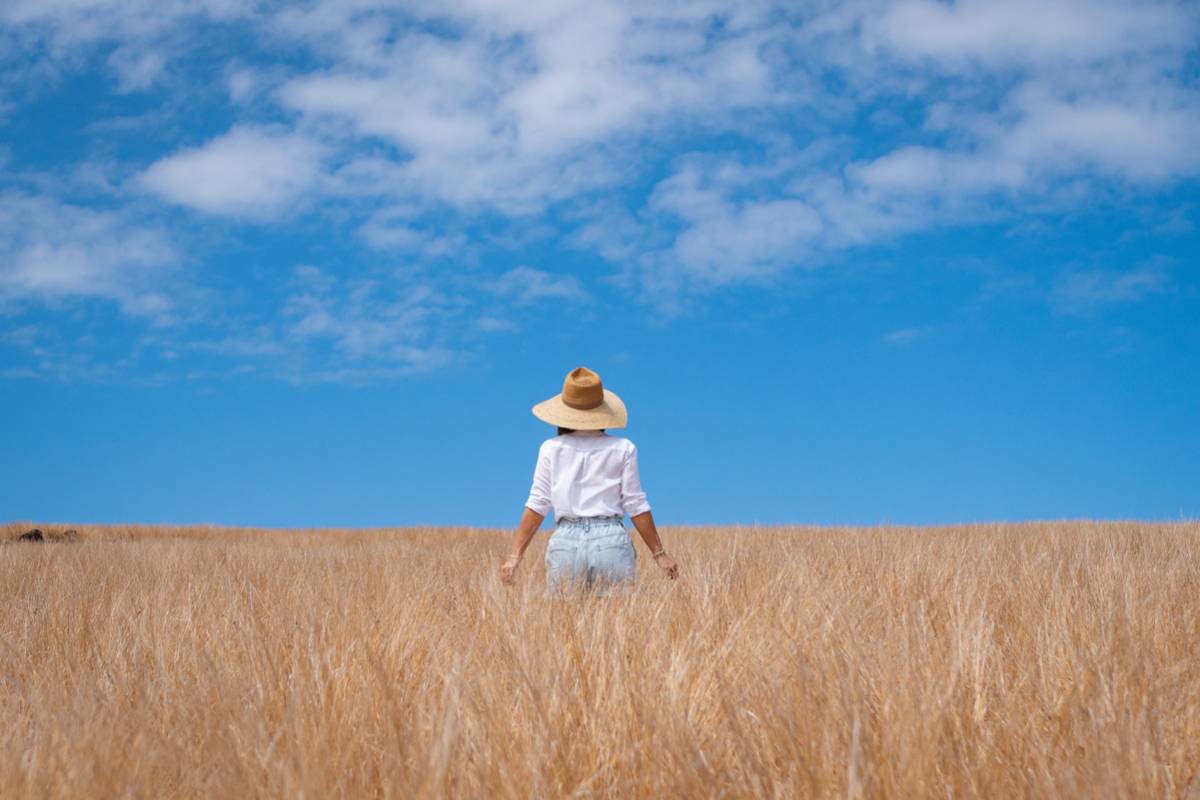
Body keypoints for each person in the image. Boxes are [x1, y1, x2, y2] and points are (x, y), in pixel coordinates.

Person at [499, 366, 680, 591]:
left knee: (565, 624)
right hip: (611, 541)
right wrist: (659, 555)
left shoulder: (550, 448)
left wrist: (515, 557)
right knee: (618, 623)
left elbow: (538, 503)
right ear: (602, 411)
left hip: (566, 542)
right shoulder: (623, 448)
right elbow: (635, 504)